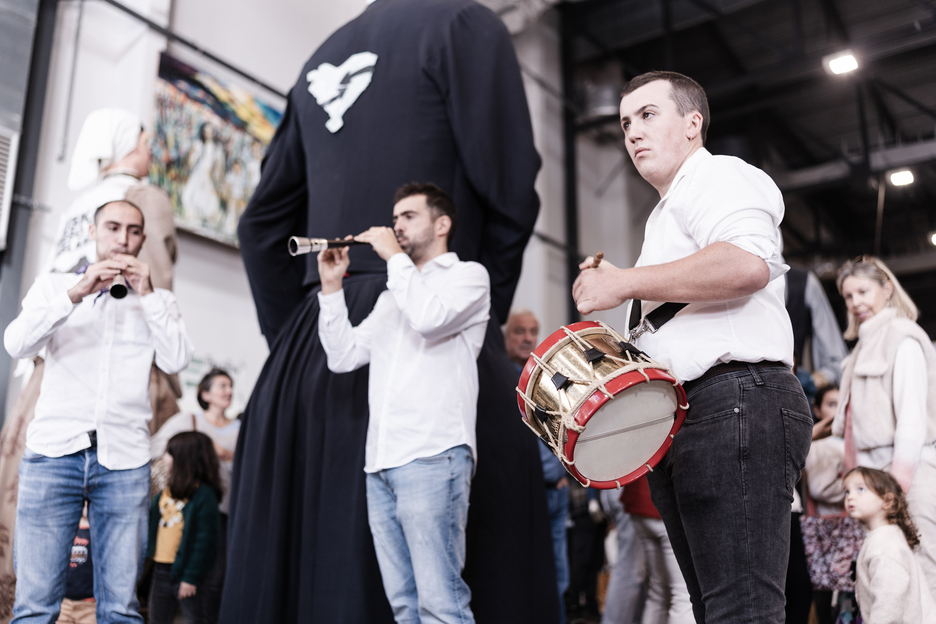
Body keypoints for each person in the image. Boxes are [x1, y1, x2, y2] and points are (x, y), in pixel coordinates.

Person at [225, 0, 555, 622]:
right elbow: (510, 193)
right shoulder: (464, 25)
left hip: (309, 357)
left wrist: (291, 341)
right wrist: (473, 320)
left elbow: (260, 226)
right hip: (420, 332)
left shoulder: (320, 56)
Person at [571, 71, 811, 623]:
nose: (632, 131)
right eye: (626, 122)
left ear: (692, 124)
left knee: (740, 612)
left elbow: (747, 264)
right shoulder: (666, 213)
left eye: (648, 115)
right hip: (698, 412)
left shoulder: (720, 176)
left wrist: (624, 282)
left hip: (735, 400)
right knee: (716, 612)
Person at [4, 195, 193, 623]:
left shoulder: (155, 301)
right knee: (35, 606)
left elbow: (177, 360)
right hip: (54, 453)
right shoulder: (54, 286)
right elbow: (17, 344)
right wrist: (75, 293)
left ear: (143, 239)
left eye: (133, 231)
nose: (122, 239)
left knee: (121, 609)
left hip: (124, 461)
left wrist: (149, 296)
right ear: (92, 232)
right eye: (112, 228)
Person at [317, 183, 488, 622]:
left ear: (442, 224)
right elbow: (343, 356)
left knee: (441, 605)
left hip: (434, 455)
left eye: (408, 216)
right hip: (382, 464)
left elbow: (430, 320)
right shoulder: (391, 296)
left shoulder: (468, 277)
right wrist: (332, 289)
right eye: (395, 218)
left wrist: (394, 257)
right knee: (405, 606)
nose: (397, 225)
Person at [832, 255, 936, 592]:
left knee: (923, 575)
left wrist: (894, 490)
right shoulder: (861, 347)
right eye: (848, 296)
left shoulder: (902, 337)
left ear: (887, 288)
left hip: (906, 477)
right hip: (875, 481)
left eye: (863, 291)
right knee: (888, 580)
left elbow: (911, 419)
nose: (856, 302)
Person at [150, 368, 240, 623]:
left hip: (225, 508)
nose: (228, 391)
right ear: (205, 393)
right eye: (222, 385)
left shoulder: (241, 428)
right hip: (182, 507)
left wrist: (227, 455)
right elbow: (157, 446)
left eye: (230, 386)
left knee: (214, 577)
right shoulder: (187, 421)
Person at [504, 308, 571, 624]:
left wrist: (563, 472)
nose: (527, 337)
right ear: (506, 335)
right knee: (520, 576)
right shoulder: (498, 378)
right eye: (519, 331)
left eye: (532, 331)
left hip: (555, 493)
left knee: (558, 577)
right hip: (520, 496)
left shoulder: (545, 377)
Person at [147, 432, 222, 624]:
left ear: (183, 459)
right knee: (156, 618)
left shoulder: (204, 495)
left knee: (195, 619)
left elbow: (204, 542)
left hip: (188, 573)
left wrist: (191, 577)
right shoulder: (165, 493)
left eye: (168, 453)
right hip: (160, 572)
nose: (164, 458)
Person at [843, 467, 936, 623]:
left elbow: (889, 602)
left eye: (860, 489)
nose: (851, 497)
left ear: (887, 501)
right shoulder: (885, 537)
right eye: (847, 491)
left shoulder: (884, 545)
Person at [57, 503, 96, 624]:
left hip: (89, 606)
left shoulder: (98, 532)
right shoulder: (64, 530)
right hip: (63, 604)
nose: (85, 504)